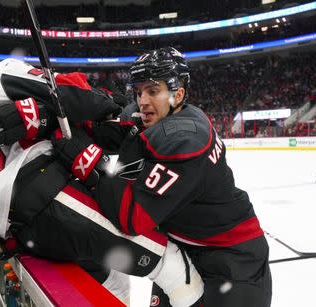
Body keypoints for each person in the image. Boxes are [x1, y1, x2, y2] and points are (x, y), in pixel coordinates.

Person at [0, 58, 204, 307]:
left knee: (111, 279)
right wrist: (113, 106)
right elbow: (74, 96)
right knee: (172, 265)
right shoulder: (6, 71)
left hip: (21, 229)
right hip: (47, 196)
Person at [52, 47, 272, 307]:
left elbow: (132, 216)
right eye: (139, 91)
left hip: (231, 261)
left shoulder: (185, 140)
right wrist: (58, 109)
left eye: (153, 91)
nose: (142, 100)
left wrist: (89, 162)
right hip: (183, 251)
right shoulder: (160, 118)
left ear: (177, 94)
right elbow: (106, 127)